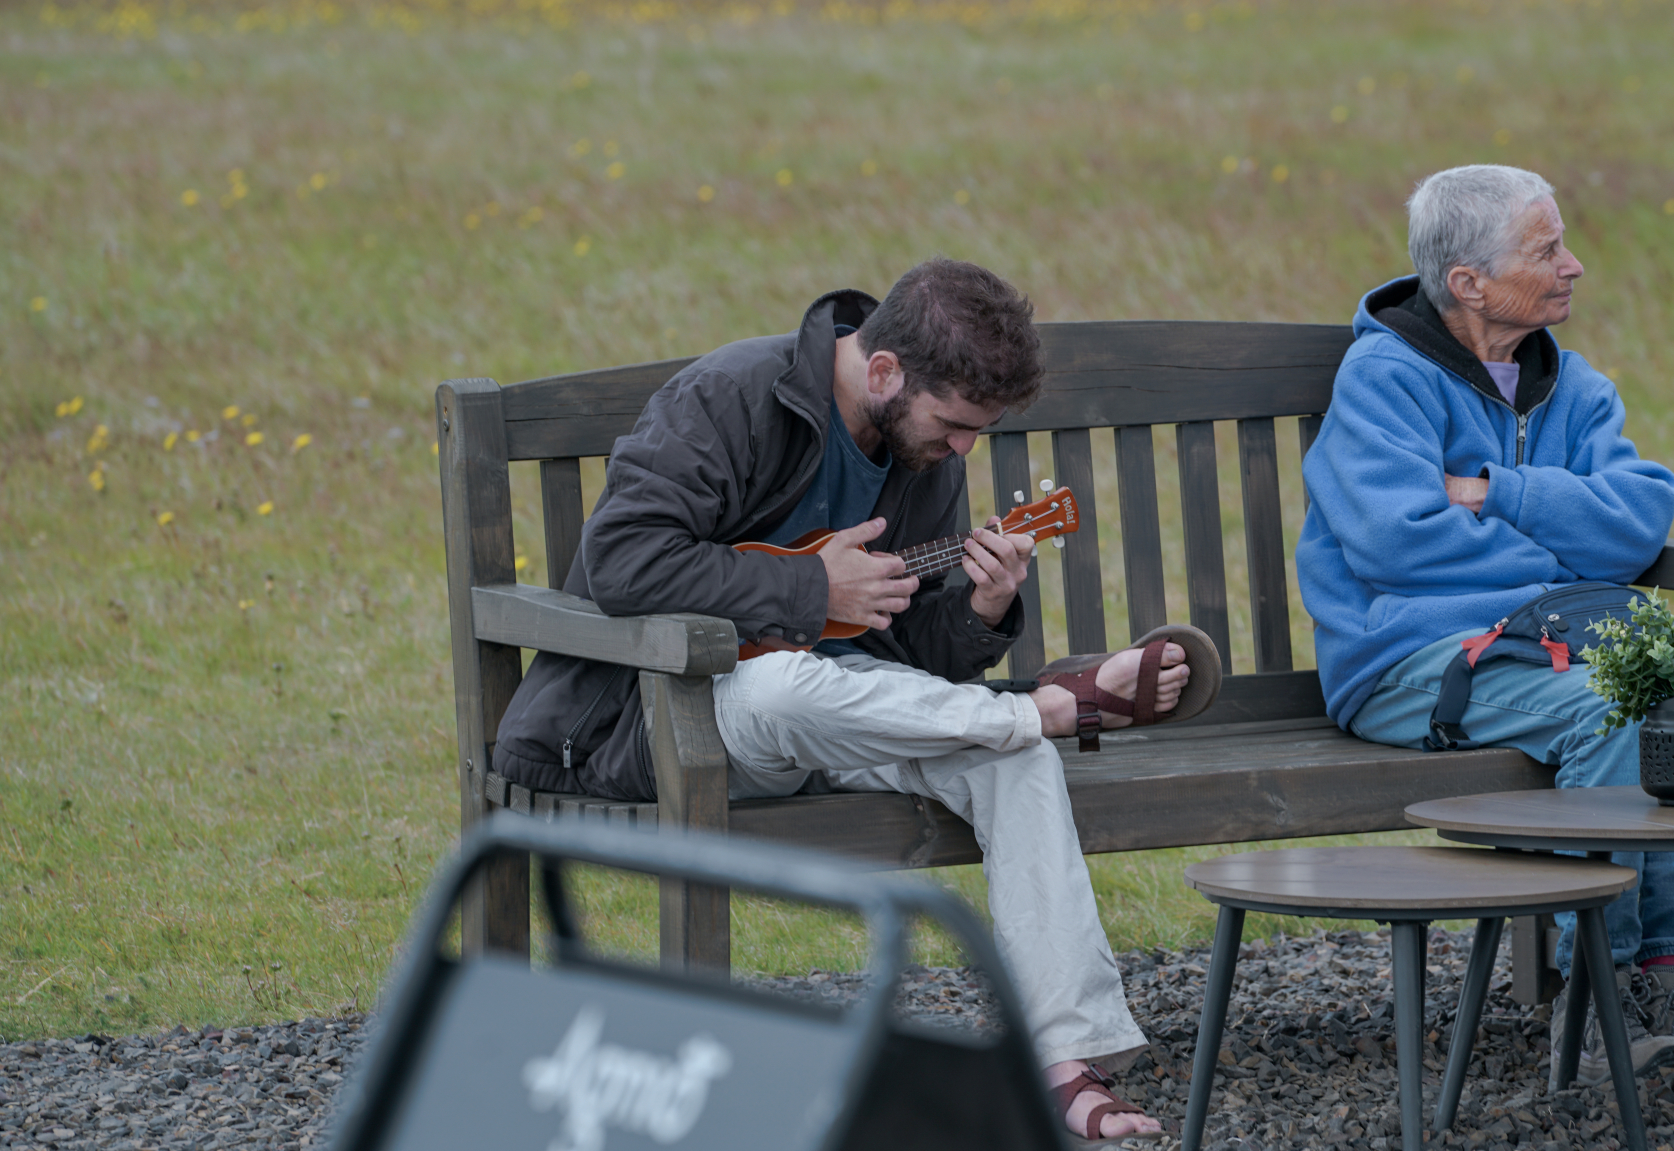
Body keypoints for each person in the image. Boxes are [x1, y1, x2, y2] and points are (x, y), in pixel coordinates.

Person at [494, 258, 1218, 1141]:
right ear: (883, 373)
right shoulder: (729, 397)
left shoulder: (919, 450)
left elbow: (910, 655)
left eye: (977, 433)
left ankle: (1062, 1061)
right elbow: (622, 560)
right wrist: (808, 592)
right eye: (955, 425)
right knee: (783, 681)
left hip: (837, 712)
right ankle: (1045, 706)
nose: (963, 451)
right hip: (662, 721)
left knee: (1011, 755)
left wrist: (983, 607)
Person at [1295, 165, 1674, 1084]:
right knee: (1609, 707)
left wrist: (1495, 491)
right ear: (1468, 282)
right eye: (1547, 249)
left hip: (1551, 641)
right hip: (1410, 661)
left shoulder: (1572, 386)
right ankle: (1596, 994)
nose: (1574, 265)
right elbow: (1399, 543)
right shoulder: (1383, 376)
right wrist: (1563, 553)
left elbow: (1639, 515)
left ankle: (1672, 978)